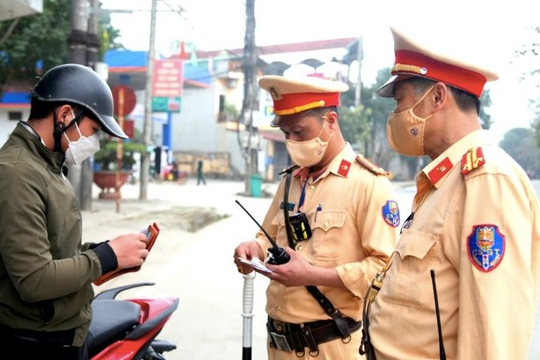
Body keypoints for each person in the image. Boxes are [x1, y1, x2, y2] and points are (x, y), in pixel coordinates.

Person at [365, 26, 540, 360]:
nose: (396, 116)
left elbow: (492, 335)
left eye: (400, 101)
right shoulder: (445, 179)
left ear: (436, 98)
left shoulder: (487, 179)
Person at [233, 75, 400, 359]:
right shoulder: (291, 181)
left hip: (331, 346)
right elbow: (268, 235)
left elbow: (385, 270)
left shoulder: (369, 184)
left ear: (330, 122)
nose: (292, 142)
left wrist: (314, 276)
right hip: (279, 346)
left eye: (299, 131)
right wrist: (254, 249)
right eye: (286, 134)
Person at [0, 63, 150, 359]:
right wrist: (104, 258)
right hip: (35, 340)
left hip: (64, 331)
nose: (94, 143)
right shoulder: (17, 172)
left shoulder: (49, 166)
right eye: (93, 130)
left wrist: (110, 254)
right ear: (65, 114)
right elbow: (34, 280)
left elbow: (57, 250)